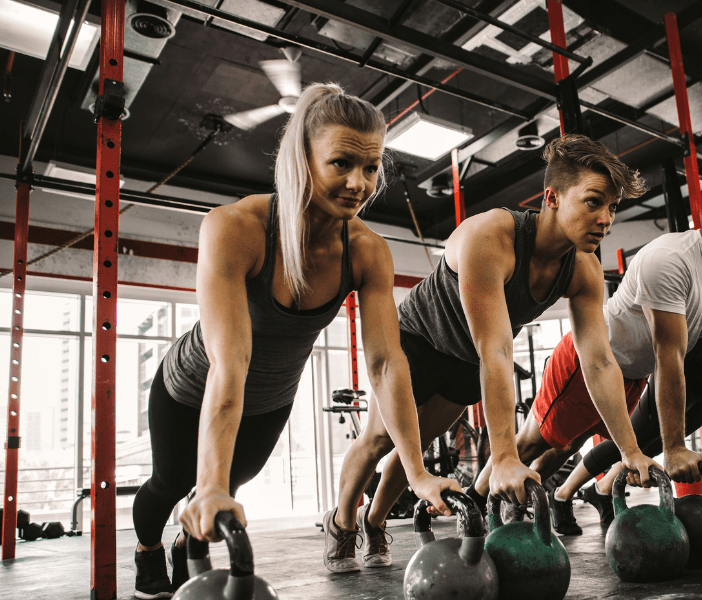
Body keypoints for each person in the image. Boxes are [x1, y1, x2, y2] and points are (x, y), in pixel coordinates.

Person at [130, 83, 460, 599]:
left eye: (371, 168)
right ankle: (148, 549)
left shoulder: (368, 251)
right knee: (172, 483)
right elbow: (230, 360)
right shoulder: (235, 227)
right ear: (302, 159)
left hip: (269, 398)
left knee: (230, 486)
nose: (359, 183)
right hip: (196, 385)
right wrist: (209, 482)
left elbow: (386, 362)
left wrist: (416, 473)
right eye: (342, 164)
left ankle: (185, 536)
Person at [332, 134, 658, 569]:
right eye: (594, 202)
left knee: (423, 440)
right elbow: (497, 350)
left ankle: (374, 523)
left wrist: (630, 448)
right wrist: (503, 456)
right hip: (418, 341)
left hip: (467, 362)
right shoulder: (492, 236)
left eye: (613, 207)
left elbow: (598, 360)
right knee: (379, 438)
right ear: (553, 197)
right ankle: (342, 525)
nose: (606, 219)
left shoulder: (584, 269)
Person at [542, 166, 702, 533]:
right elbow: (668, 355)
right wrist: (674, 448)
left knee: (614, 444)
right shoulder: (672, 258)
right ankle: (510, 505)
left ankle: (570, 495)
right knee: (547, 446)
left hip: (633, 376)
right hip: (589, 360)